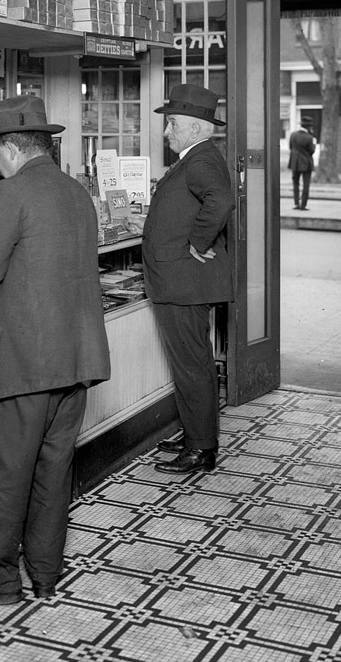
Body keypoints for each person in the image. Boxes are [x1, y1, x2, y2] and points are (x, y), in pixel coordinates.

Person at [0, 94, 111, 605]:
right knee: (52, 474)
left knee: (0, 473)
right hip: (75, 359)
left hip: (20, 361)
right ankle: (45, 573)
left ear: (9, 149)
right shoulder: (76, 193)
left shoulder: (9, 195)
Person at [129, 83, 234, 475]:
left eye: (172, 123)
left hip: (184, 280)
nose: (167, 131)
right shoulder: (196, 156)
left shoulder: (201, 160)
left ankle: (201, 449)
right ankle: (197, 434)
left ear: (195, 128)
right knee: (195, 364)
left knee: (191, 366)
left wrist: (196, 241)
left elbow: (220, 200)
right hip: (182, 280)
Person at [288, 116, 316, 211]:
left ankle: (296, 203)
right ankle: (303, 205)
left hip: (295, 162)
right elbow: (311, 151)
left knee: (295, 183)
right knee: (306, 185)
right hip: (306, 163)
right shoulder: (309, 137)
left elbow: (291, 147)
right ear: (308, 127)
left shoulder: (293, 135)